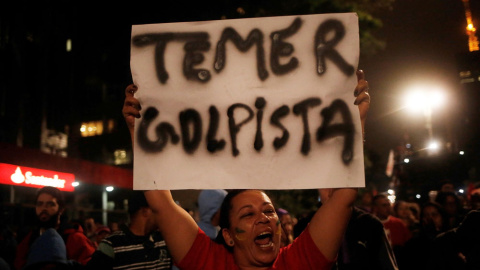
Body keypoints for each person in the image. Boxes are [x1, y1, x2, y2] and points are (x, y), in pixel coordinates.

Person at [122, 70, 370, 269]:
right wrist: (139, 130)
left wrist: (353, 123)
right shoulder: (208, 263)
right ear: (228, 236)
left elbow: (344, 196)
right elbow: (160, 202)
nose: (263, 218)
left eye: (269, 211)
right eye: (247, 214)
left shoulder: (299, 262)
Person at [14, 186, 96, 270]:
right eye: (40, 204)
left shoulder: (75, 238)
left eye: (50, 204)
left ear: (61, 209)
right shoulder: (29, 237)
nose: (44, 208)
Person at [86, 191, 172, 269]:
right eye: (158, 209)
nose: (162, 214)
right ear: (145, 211)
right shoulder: (112, 244)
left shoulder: (165, 239)